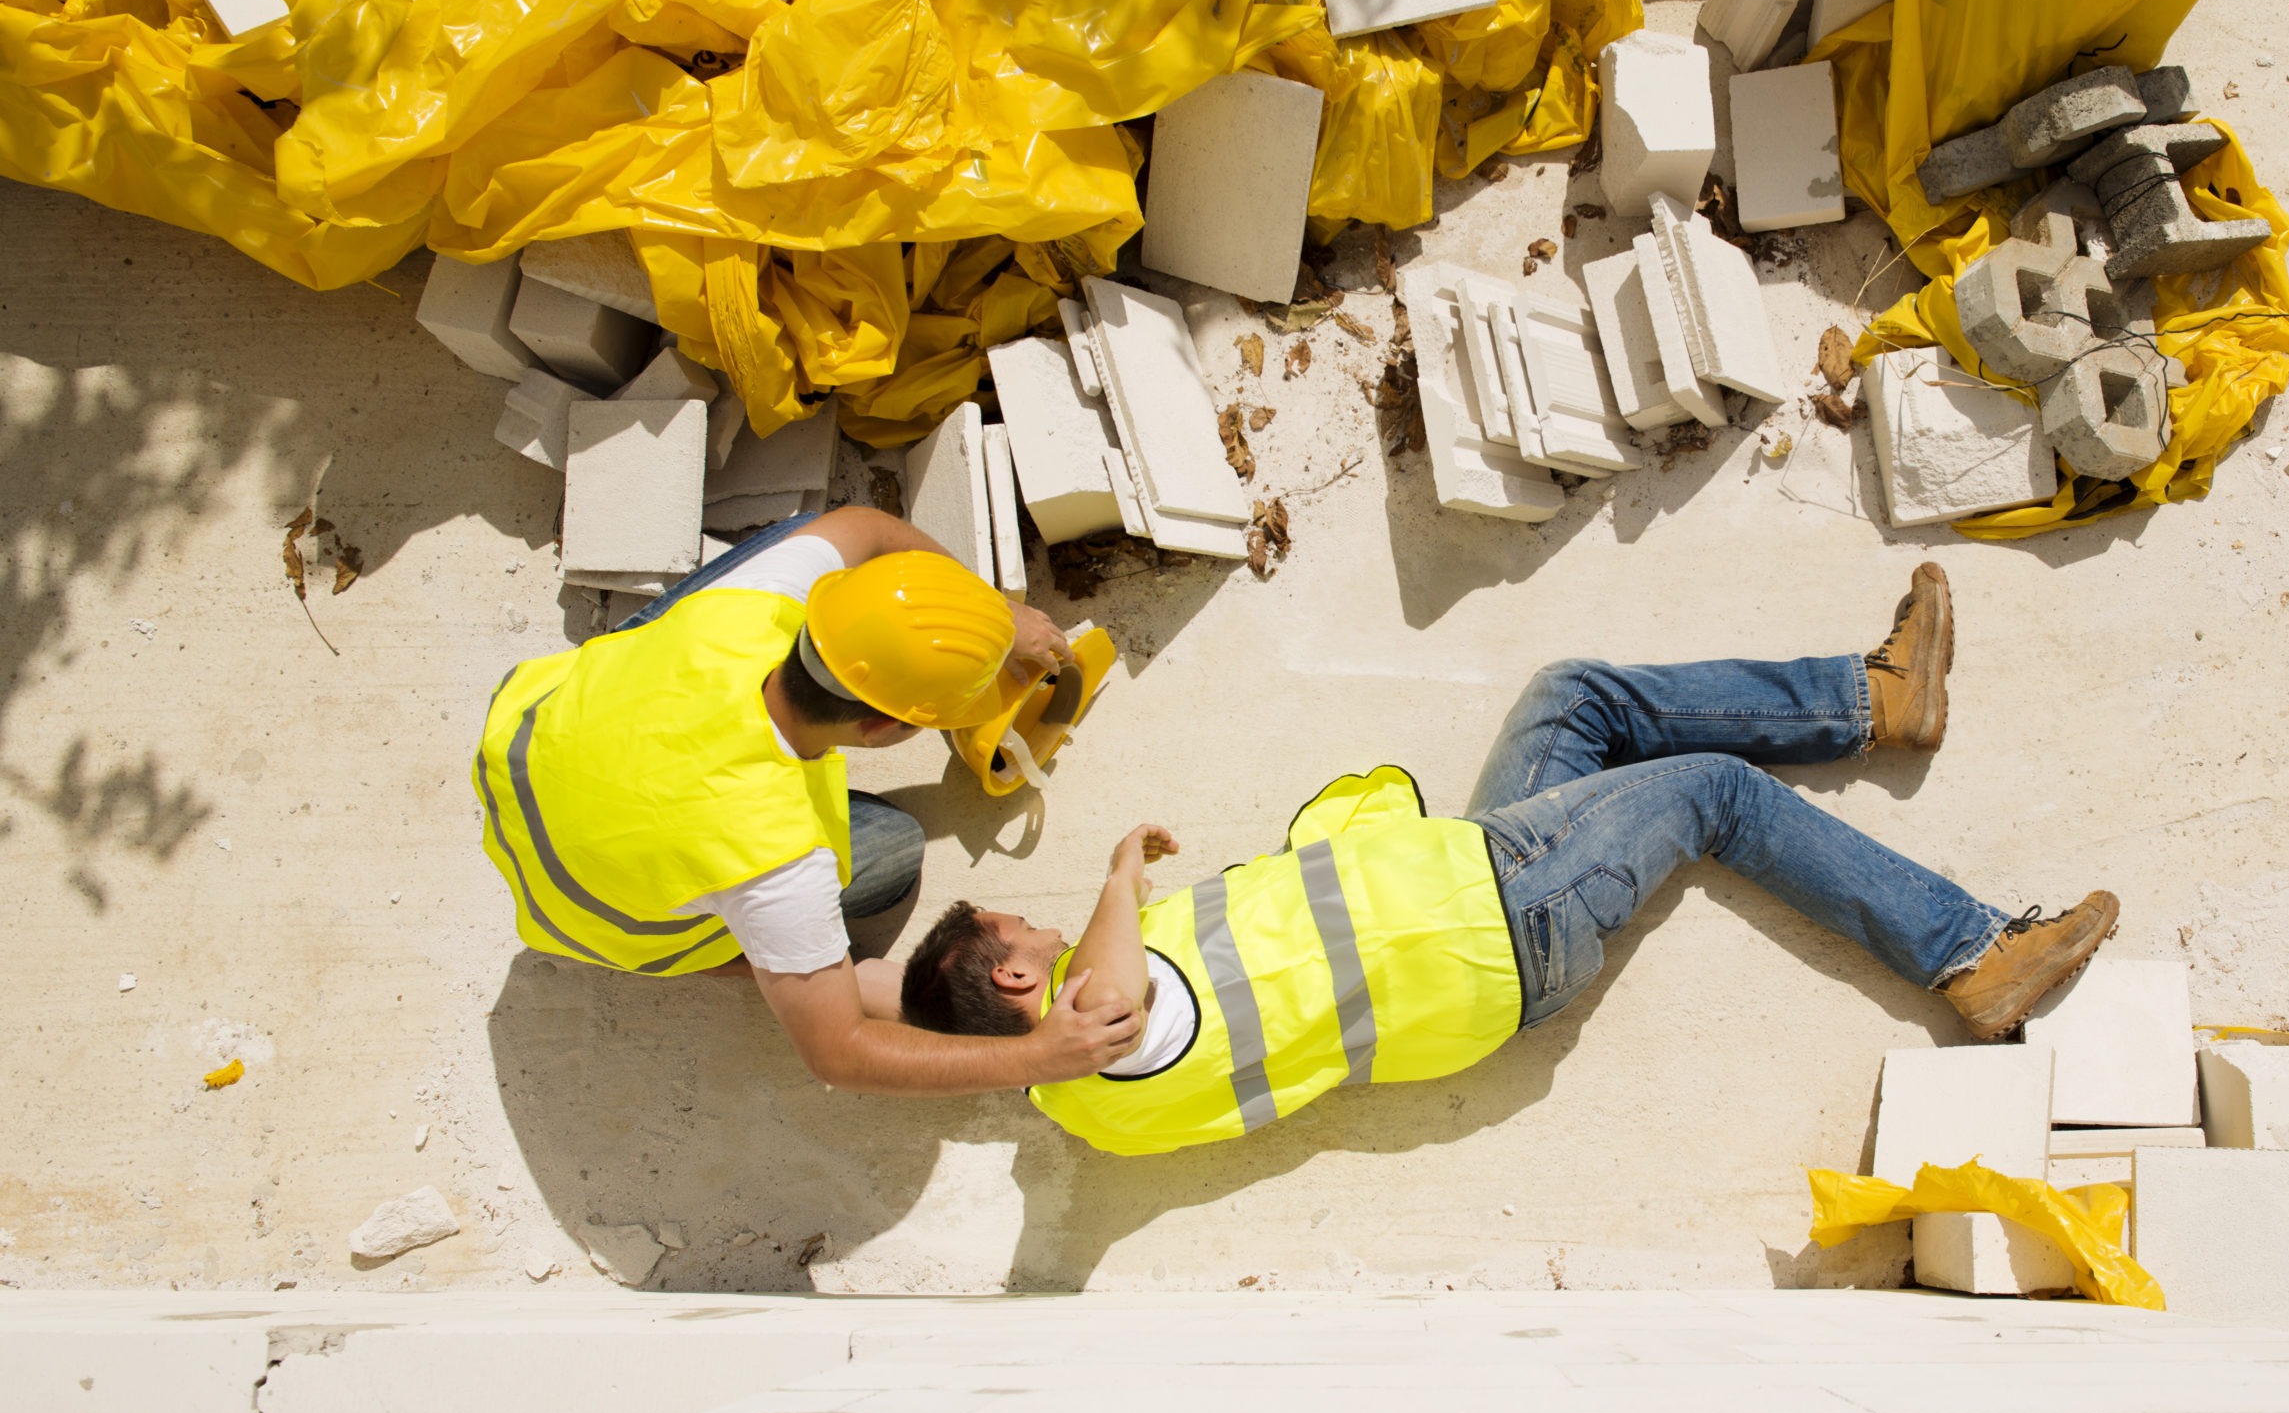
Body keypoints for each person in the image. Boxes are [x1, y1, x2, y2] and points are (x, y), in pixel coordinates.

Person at [898, 565, 2118, 1154]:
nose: (1049, 931)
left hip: (1462, 885)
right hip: (1499, 923)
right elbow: (1113, 999)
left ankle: (1871, 700)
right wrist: (1119, 873)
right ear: (1016, 984)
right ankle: (1971, 952)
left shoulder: (1087, 1110)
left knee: (1570, 698)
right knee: (1711, 794)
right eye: (1025, 935)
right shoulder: (1098, 1042)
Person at [474, 505, 1139, 1093]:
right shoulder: (777, 852)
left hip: (533, 748)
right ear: (881, 726)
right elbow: (838, 1054)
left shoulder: (754, 610)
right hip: (589, 911)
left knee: (809, 536)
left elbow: (870, 528)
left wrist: (994, 616)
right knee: (894, 848)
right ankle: (738, 954)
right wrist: (1039, 1057)